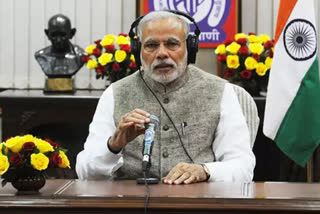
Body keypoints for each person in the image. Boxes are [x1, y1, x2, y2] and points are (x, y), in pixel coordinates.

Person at [76, 10, 255, 184]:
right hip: (130, 203)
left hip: (198, 202)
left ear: (190, 48)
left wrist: (205, 170)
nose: (161, 53)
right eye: (151, 45)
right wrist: (113, 146)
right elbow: (85, 172)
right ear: (138, 50)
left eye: (172, 43)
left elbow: (243, 167)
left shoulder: (220, 91)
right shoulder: (115, 93)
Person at [35, 14, 84, 78]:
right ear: (47, 34)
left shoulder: (80, 55)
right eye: (54, 35)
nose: (58, 40)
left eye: (63, 35)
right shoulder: (41, 55)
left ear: (71, 33)